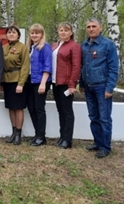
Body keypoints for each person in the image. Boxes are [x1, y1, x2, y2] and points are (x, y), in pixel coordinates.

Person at [80, 17, 119, 158]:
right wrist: (82, 84)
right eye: (89, 26)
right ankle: (97, 142)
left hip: (102, 87)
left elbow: (113, 68)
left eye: (94, 26)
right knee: (93, 117)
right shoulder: (84, 45)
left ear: (100, 27)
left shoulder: (108, 44)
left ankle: (105, 147)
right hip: (89, 87)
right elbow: (83, 66)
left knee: (104, 118)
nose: (91, 29)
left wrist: (110, 88)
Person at [51, 22, 81, 149]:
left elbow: (76, 66)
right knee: (60, 111)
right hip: (55, 82)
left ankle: (67, 140)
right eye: (61, 30)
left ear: (71, 32)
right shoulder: (55, 45)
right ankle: (62, 136)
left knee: (67, 111)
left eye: (66, 30)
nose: (63, 32)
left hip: (66, 84)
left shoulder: (74, 46)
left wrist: (72, 84)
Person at [1, 25, 30, 145]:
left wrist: (21, 83)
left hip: (18, 81)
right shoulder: (3, 47)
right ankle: (13, 131)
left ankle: (18, 133)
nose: (11, 34)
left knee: (18, 107)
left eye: (14, 32)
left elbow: (25, 66)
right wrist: (0, 82)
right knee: (11, 107)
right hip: (7, 81)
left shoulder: (23, 48)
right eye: (9, 32)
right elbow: (0, 65)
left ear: (18, 35)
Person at [26, 23, 52, 147]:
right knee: (31, 108)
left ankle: (41, 136)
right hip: (30, 81)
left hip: (41, 81)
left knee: (39, 109)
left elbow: (48, 66)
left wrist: (43, 83)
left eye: (37, 33)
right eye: (32, 33)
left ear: (42, 34)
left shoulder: (45, 47)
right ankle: (37, 134)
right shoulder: (30, 47)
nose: (34, 35)